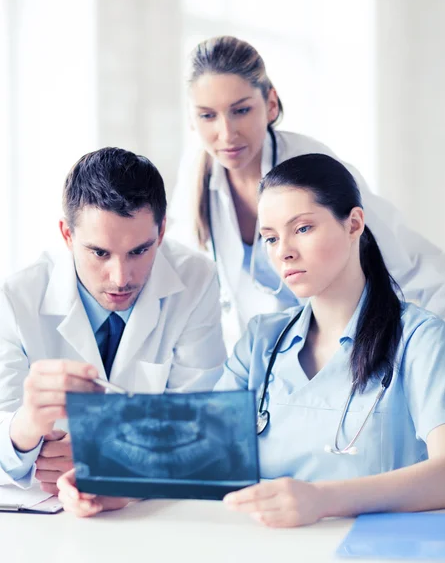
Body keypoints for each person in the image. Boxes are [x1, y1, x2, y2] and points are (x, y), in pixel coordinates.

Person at [57, 154, 445, 525]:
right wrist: (120, 487)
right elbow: (202, 453)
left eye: (303, 228)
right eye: (271, 238)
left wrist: (323, 501)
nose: (285, 252)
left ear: (353, 224)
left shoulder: (420, 340)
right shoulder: (262, 341)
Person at [168, 35, 445, 348]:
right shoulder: (195, 174)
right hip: (263, 361)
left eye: (241, 110)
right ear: (192, 119)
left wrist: (425, 351)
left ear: (270, 104)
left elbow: (409, 266)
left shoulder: (308, 164)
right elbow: (184, 278)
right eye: (207, 115)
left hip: (341, 350)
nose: (226, 133)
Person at [0, 147, 226, 491]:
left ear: (161, 231)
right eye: (99, 253)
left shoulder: (196, 279)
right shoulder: (16, 298)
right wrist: (27, 425)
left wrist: (99, 454)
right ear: (67, 235)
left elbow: (200, 424)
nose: (121, 278)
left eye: (139, 251)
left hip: (150, 511)